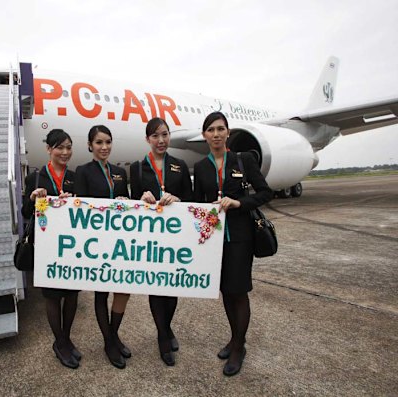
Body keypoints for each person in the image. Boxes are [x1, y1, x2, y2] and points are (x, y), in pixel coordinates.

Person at [193, 111, 273, 376]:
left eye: (220, 129)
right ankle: (234, 338)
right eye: (210, 130)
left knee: (239, 292)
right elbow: (197, 204)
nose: (216, 134)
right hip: (215, 240)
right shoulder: (202, 167)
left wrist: (238, 203)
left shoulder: (243, 159)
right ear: (204, 135)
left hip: (240, 237)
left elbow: (264, 193)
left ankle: (239, 346)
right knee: (226, 291)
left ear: (228, 132)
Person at [129, 117, 193, 366]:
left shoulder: (179, 165)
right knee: (156, 287)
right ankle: (163, 337)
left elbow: (190, 199)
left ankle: (166, 328)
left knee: (172, 286)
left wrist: (177, 198)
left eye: (165, 134)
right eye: (155, 136)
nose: (161, 140)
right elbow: (132, 203)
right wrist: (140, 199)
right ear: (148, 139)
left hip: (175, 236)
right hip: (151, 239)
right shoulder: (137, 168)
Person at [22, 129, 80, 369]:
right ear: (49, 149)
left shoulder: (76, 177)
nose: (65, 152)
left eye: (68, 147)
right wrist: (33, 199)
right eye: (59, 147)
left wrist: (74, 200)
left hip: (72, 245)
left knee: (73, 294)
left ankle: (65, 338)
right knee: (53, 296)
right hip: (47, 247)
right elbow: (26, 214)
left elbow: (86, 209)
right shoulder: (35, 178)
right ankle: (60, 342)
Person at [74, 125, 131, 369]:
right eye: (99, 142)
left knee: (123, 290)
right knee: (101, 293)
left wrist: (125, 202)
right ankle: (108, 342)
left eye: (108, 142)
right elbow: (82, 206)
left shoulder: (120, 173)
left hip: (119, 240)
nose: (104, 147)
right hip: (97, 242)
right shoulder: (83, 171)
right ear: (90, 145)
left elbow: (130, 205)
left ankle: (114, 334)